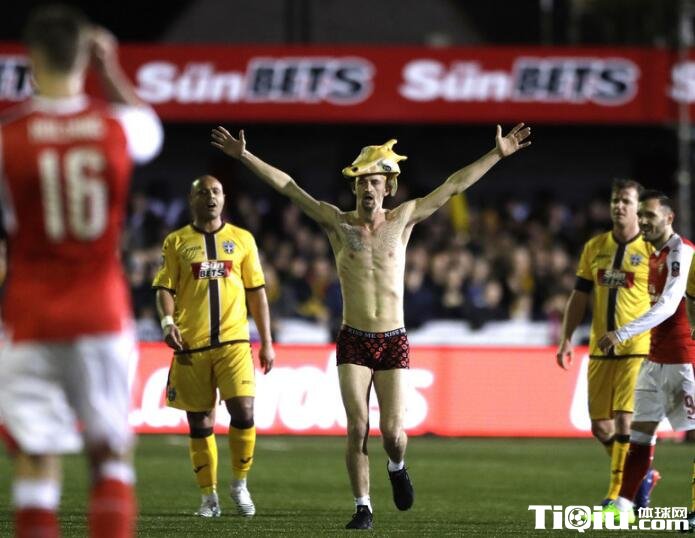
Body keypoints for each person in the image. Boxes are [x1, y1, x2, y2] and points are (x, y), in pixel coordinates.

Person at [211, 123, 531, 529]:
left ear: (388, 186)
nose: (367, 187)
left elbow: (453, 186)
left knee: (393, 433)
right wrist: (244, 156)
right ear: (354, 186)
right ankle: (363, 506)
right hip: (353, 339)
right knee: (357, 427)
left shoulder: (404, 218)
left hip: (393, 338)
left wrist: (496, 155)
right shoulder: (337, 223)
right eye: (362, 180)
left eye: (375, 180)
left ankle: (396, 465)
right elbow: (289, 187)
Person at [0, 5, 163, 538]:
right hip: (101, 311)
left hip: (29, 315)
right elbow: (151, 129)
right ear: (85, 56)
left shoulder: (9, 138)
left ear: (31, 58)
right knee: (110, 454)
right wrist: (109, 67)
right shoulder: (118, 127)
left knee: (35, 459)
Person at [152, 175, 275, 518]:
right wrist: (167, 322)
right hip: (192, 345)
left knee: (244, 411)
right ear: (192, 199)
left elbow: (257, 293)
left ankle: (240, 483)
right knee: (200, 422)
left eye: (217, 191)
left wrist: (267, 342)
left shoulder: (243, 239)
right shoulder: (177, 241)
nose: (211, 196)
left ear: (224, 198)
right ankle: (209, 497)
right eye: (203, 192)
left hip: (234, 342)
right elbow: (164, 288)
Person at [555, 179, 660, 507]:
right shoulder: (594, 247)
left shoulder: (652, 250)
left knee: (625, 419)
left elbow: (666, 300)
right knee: (601, 427)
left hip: (637, 348)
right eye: (616, 200)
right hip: (601, 349)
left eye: (626, 201)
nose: (619, 206)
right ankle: (642, 474)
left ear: (638, 209)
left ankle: (618, 493)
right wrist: (566, 338)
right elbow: (579, 295)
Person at [596, 190, 695, 525]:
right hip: (654, 361)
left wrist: (621, 333)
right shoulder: (653, 256)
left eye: (649, 215)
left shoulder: (682, 251)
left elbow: (669, 305)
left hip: (684, 359)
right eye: (641, 215)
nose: (643, 221)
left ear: (669, 217)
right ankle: (624, 507)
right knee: (640, 436)